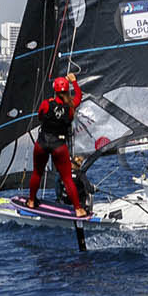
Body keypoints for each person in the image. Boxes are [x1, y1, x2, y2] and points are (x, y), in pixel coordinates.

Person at [27, 75, 86, 218]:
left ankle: (31, 201)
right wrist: (74, 81)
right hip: (59, 145)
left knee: (37, 173)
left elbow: (40, 116)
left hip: (42, 143)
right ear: (67, 90)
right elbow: (79, 95)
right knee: (67, 178)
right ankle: (78, 209)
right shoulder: (71, 106)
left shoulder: (46, 103)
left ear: (54, 89)